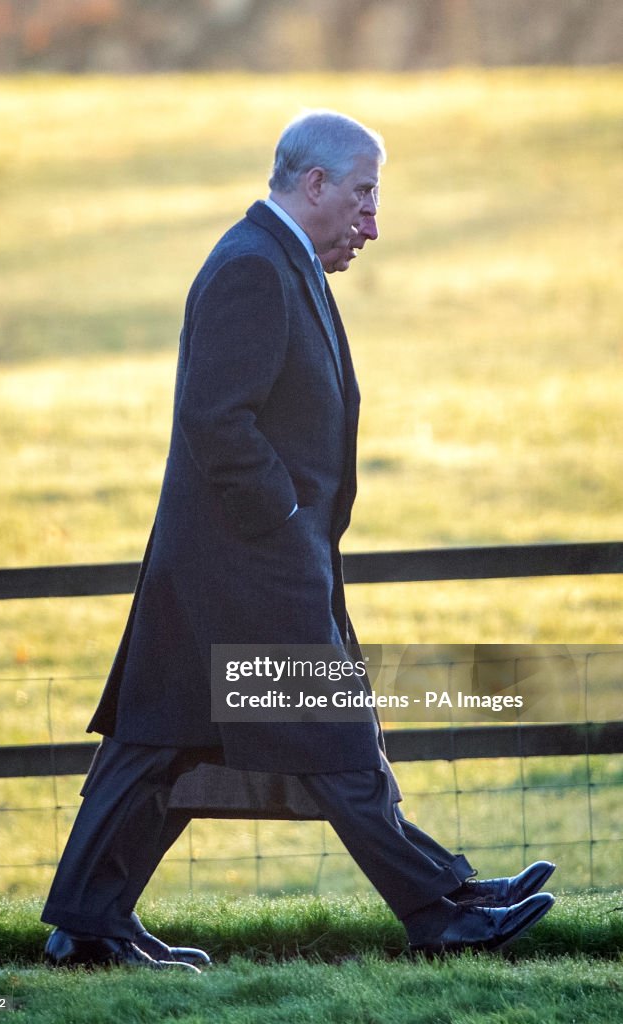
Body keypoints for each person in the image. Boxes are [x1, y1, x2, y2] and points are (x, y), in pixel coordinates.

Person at [42, 110, 555, 969]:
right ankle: (443, 910)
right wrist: (283, 524)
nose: (373, 222)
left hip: (237, 575)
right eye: (363, 196)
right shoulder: (252, 268)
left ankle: (89, 927)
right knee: (338, 744)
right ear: (312, 184)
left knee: (158, 751)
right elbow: (218, 421)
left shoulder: (281, 261)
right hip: (247, 579)